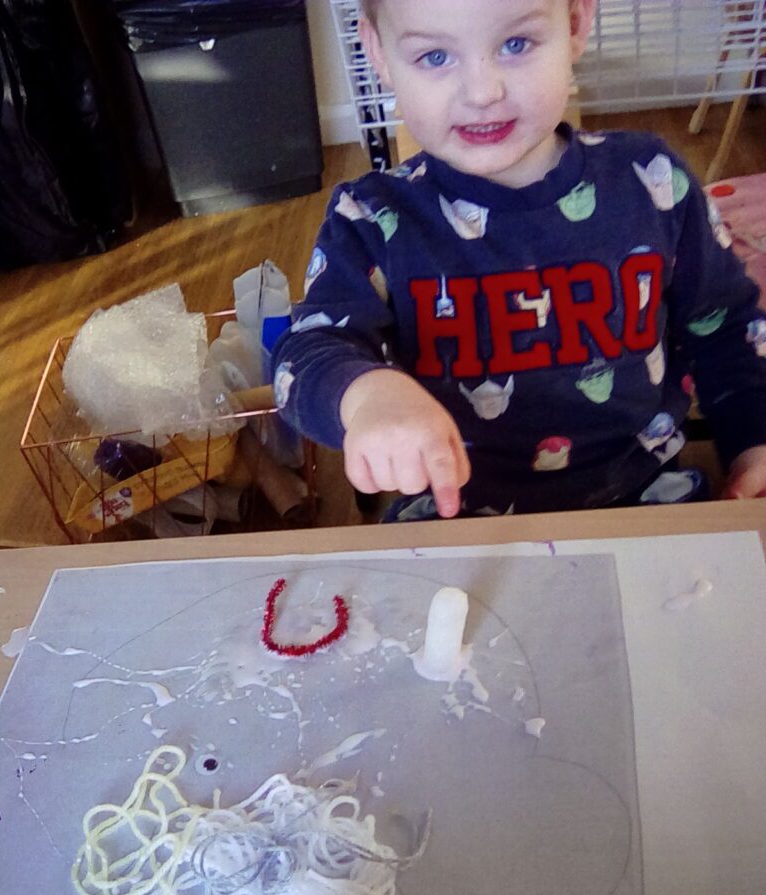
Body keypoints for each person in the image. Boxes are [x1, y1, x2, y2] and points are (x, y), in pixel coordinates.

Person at [272, 0, 766, 519]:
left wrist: (754, 443)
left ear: (575, 23)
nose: (482, 93)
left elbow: (728, 327)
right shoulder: (370, 218)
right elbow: (304, 354)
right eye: (435, 56)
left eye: (516, 44)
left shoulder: (653, 182)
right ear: (377, 51)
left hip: (645, 500)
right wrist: (367, 396)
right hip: (454, 516)